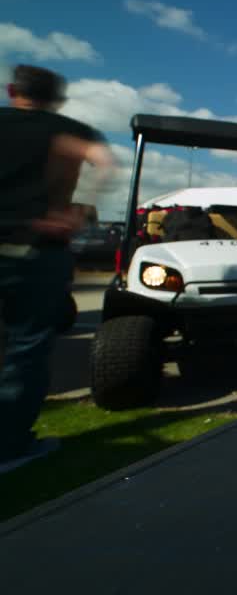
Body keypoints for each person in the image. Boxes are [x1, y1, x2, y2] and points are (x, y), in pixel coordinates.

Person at [1, 65, 113, 472]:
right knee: (27, 346)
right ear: (57, 99)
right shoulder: (67, 130)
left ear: (12, 89)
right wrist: (77, 212)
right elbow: (104, 163)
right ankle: (10, 446)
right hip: (36, 246)